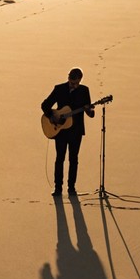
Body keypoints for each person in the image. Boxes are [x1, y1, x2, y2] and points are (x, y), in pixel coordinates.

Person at [41, 68, 94, 196]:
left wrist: (87, 110)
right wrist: (53, 116)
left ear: (80, 80)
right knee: (60, 158)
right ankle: (58, 188)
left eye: (76, 83)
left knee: (73, 159)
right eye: (71, 82)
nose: (73, 85)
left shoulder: (84, 91)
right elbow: (45, 105)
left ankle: (71, 188)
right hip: (61, 131)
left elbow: (91, 114)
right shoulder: (59, 89)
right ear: (68, 77)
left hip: (76, 131)